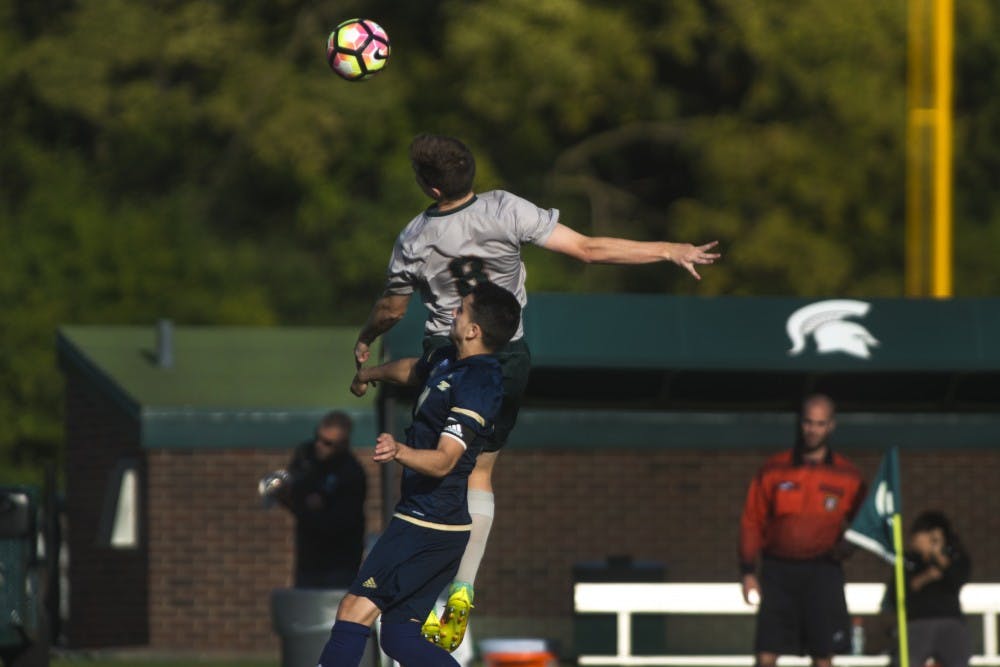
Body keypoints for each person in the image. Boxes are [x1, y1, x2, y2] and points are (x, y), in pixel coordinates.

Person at [352, 133, 721, 649]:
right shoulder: (505, 208)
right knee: (478, 470)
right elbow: (589, 251)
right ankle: (462, 590)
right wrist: (667, 249)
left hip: (448, 358)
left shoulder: (415, 236)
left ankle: (413, 590)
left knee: (433, 471)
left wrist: (366, 339)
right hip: (505, 358)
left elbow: (391, 311)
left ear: (429, 186)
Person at [319, 281, 521, 667]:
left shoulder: (479, 382)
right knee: (398, 636)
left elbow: (445, 461)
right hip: (433, 523)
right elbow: (414, 369)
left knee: (354, 609)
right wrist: (370, 374)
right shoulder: (449, 360)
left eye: (461, 310)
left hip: (429, 522)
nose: (453, 313)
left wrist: (399, 450)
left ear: (474, 330)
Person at [739, 394, 867, 667]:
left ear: (831, 426)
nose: (813, 430)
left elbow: (865, 524)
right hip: (778, 572)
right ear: (800, 424)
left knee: (823, 655)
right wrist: (748, 571)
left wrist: (850, 545)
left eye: (820, 424)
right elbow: (752, 520)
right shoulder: (774, 469)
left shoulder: (848, 474)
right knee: (766, 655)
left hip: (823, 572)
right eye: (808, 423)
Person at [272, 411, 367, 589]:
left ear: (343, 445)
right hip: (308, 558)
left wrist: (313, 506)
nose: (319, 446)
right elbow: (297, 488)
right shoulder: (306, 455)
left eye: (328, 443)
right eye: (318, 438)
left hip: (339, 563)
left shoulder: (351, 473)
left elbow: (338, 522)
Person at [885, 510, 972, 667]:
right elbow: (896, 594)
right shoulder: (907, 561)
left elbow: (958, 579)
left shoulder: (955, 557)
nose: (915, 539)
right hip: (917, 623)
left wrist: (939, 555)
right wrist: (926, 577)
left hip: (949, 622)